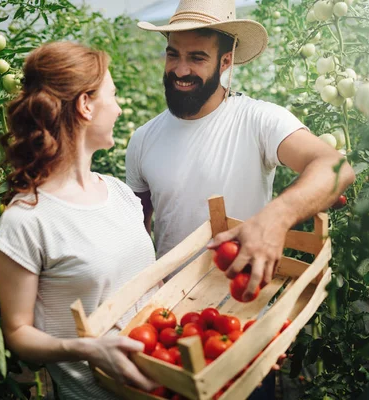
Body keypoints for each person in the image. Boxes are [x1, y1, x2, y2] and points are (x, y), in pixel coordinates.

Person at [127, 0, 355, 297]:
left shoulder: (259, 120)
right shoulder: (143, 138)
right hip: (168, 313)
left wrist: (275, 218)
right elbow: (135, 228)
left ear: (225, 61)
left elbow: (335, 166)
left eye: (197, 58)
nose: (180, 70)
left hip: (244, 305)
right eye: (173, 55)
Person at [0, 41, 160, 400]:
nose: (117, 108)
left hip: (163, 384)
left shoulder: (121, 194)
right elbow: (18, 332)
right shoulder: (27, 220)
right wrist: (84, 349)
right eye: (112, 95)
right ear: (85, 105)